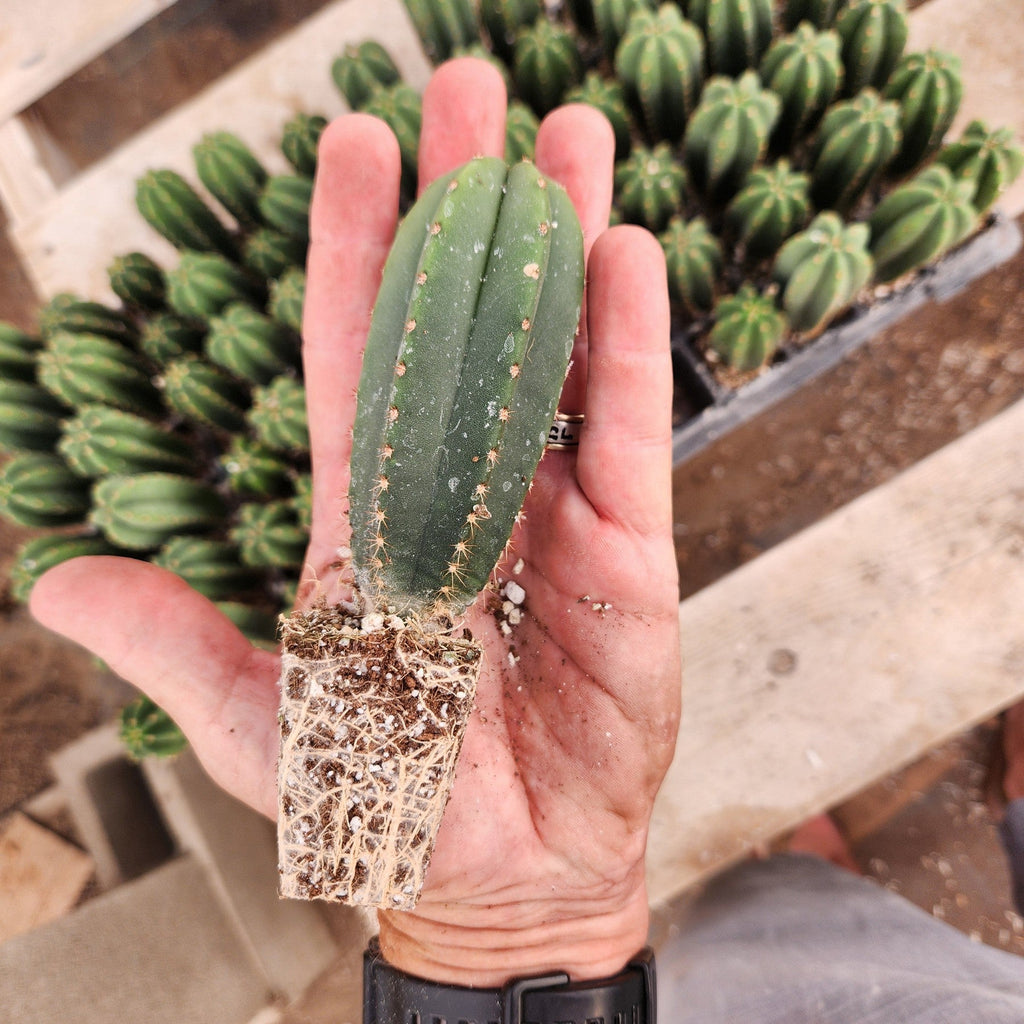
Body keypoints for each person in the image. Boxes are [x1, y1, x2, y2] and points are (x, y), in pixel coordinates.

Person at [28, 58, 1024, 1021]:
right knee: (827, 960)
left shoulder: (401, 561)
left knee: (773, 956)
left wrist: (471, 922)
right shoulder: (408, 559)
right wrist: (496, 912)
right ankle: (807, 893)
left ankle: (791, 896)